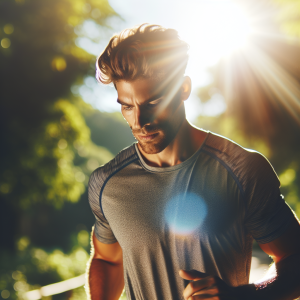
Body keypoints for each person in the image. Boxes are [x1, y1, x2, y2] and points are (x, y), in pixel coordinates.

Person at [86, 24, 300, 300]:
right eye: (127, 106)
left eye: (154, 102)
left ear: (184, 88)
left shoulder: (242, 170)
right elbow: (107, 260)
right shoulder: (107, 183)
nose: (139, 121)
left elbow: (295, 257)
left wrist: (244, 296)